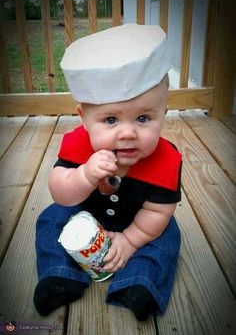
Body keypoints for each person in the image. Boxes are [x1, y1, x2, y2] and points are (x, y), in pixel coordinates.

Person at [33, 23, 182, 321]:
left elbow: (157, 211)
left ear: (163, 114)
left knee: (166, 235)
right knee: (50, 218)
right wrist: (85, 176)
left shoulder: (166, 160)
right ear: (84, 119)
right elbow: (60, 192)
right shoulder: (78, 144)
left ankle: (141, 283)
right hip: (83, 212)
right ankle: (59, 274)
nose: (127, 133)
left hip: (138, 221)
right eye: (111, 119)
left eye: (143, 118)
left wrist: (130, 240)